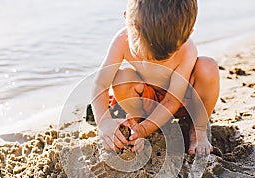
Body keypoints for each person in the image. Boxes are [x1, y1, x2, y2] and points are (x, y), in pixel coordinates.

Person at [91, 0, 220, 156]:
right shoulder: (121, 40)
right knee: (122, 78)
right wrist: (104, 122)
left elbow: (172, 100)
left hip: (182, 102)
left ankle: (197, 129)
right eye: (144, 54)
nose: (151, 62)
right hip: (150, 102)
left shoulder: (186, 49)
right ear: (128, 21)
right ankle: (136, 124)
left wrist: (146, 129)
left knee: (208, 67)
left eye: (163, 58)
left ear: (187, 35)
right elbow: (100, 84)